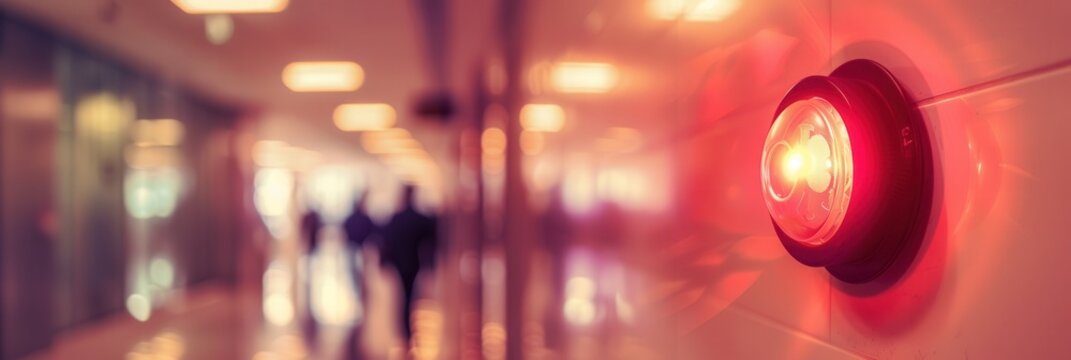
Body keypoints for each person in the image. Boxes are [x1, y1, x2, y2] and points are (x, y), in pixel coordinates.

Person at [381, 185, 439, 343]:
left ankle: (404, 325)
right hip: (413, 261)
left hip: (400, 262)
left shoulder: (396, 218)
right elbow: (430, 239)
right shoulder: (418, 218)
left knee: (404, 292)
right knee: (410, 292)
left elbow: (387, 242)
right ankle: (407, 326)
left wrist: (385, 261)